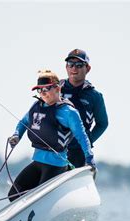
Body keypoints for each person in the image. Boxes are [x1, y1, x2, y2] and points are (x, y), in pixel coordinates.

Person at [7, 70, 95, 202]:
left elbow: (81, 136)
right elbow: (24, 122)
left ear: (57, 88)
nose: (43, 93)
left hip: (56, 165)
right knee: (13, 195)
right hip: (38, 161)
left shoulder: (68, 112)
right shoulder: (37, 106)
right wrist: (16, 135)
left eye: (46, 89)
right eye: (39, 90)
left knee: (39, 199)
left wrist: (89, 157)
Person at [60, 49, 108, 168]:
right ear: (66, 67)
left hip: (78, 152)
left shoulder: (95, 96)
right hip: (54, 148)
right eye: (71, 64)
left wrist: (88, 140)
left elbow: (102, 124)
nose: (74, 68)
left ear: (87, 68)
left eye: (79, 65)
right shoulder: (56, 90)